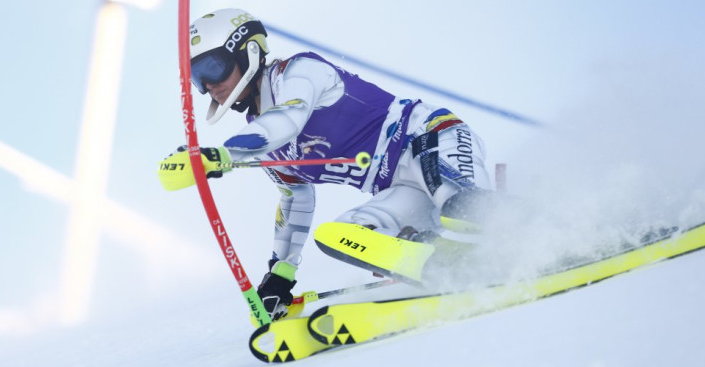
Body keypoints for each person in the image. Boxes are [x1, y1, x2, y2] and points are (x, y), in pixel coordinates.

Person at [160, 8, 491, 320]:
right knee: (343, 236)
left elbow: (289, 118)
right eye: (196, 78)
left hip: (431, 140)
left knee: (459, 209)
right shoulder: (263, 140)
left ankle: (528, 229)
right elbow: (295, 200)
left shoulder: (299, 72)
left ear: (247, 52)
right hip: (400, 188)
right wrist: (280, 275)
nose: (208, 86)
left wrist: (222, 155)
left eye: (212, 68)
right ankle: (452, 264)